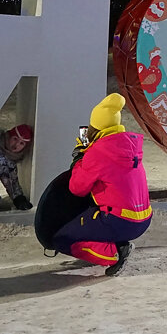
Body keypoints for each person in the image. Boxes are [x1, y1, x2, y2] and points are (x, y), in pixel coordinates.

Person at [52, 93, 152, 276]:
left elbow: (76, 188)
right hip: (143, 220)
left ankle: (114, 254)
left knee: (62, 239)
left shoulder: (98, 153)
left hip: (120, 220)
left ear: (96, 129)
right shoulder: (129, 147)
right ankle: (117, 244)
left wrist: (80, 159)